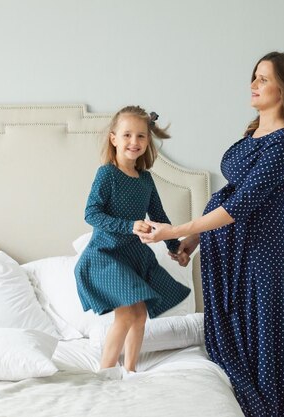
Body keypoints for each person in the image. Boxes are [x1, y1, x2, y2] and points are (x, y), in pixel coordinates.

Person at [139, 51, 284, 416]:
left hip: (260, 258)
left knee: (260, 351)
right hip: (227, 254)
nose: (253, 85)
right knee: (232, 345)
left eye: (263, 79)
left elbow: (241, 204)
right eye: (255, 76)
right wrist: (195, 240)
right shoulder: (254, 132)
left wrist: (177, 228)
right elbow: (231, 194)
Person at [74, 105, 191, 375]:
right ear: (113, 138)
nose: (134, 142)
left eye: (140, 136)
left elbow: (160, 216)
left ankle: (130, 370)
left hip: (133, 257)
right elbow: (91, 213)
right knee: (127, 314)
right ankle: (105, 372)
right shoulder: (107, 174)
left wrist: (176, 248)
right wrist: (129, 225)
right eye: (127, 135)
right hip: (105, 256)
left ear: (147, 140)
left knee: (139, 315)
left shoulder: (146, 180)